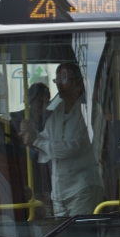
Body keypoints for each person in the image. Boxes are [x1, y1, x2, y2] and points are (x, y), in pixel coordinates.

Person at [19, 63, 104, 216]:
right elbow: (46, 139)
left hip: (82, 188)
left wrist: (37, 142)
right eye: (57, 81)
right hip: (59, 191)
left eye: (63, 79)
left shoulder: (91, 110)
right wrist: (31, 134)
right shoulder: (58, 111)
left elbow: (75, 147)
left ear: (78, 82)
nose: (59, 85)